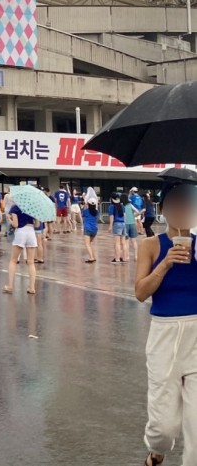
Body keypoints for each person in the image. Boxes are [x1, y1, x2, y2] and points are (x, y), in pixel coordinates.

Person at [135, 171, 197, 466]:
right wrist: (165, 265)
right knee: (163, 428)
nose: (182, 210)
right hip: (164, 336)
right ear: (163, 209)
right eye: (176, 204)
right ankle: (157, 451)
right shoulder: (151, 245)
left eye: (188, 204)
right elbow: (140, 293)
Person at [3, 195, 39, 295]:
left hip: (21, 232)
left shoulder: (15, 207)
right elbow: (37, 225)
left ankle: (10, 286)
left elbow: (15, 224)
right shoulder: (32, 208)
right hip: (31, 232)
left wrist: (9, 219)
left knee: (13, 260)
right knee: (31, 262)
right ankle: (32, 287)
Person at [108, 192, 127, 263]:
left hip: (117, 224)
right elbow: (124, 215)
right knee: (123, 242)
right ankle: (124, 258)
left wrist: (110, 226)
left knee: (117, 243)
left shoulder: (111, 206)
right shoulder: (122, 206)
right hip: (123, 223)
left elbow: (111, 216)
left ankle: (117, 259)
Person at [82, 188, 99, 263]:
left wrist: (85, 199)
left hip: (87, 228)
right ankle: (93, 256)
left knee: (87, 244)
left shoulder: (85, 211)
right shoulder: (96, 212)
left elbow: (83, 216)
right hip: (94, 230)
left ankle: (91, 257)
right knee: (89, 243)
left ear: (88, 204)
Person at [123, 191, 141, 261]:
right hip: (132, 223)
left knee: (126, 241)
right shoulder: (130, 205)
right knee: (134, 241)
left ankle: (127, 256)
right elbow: (138, 212)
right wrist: (133, 216)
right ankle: (136, 256)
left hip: (126, 224)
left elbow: (124, 216)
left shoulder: (123, 206)